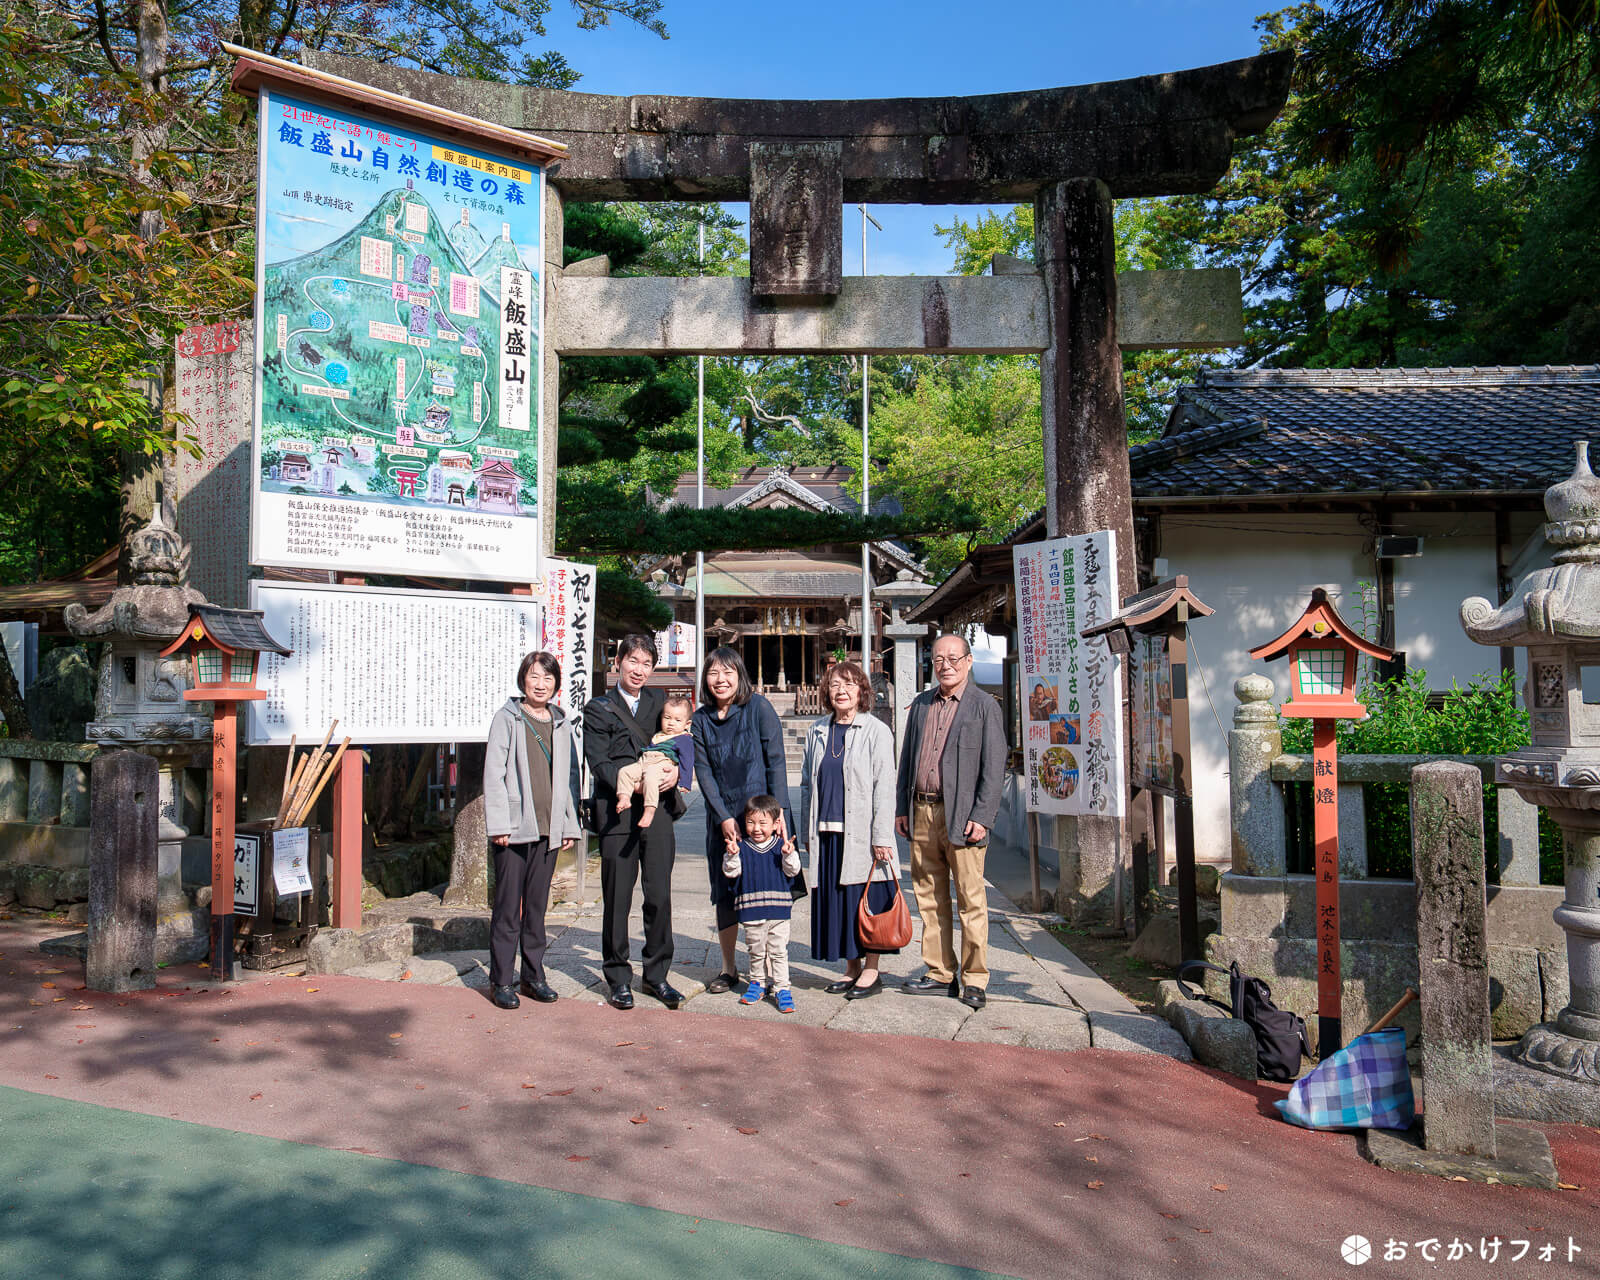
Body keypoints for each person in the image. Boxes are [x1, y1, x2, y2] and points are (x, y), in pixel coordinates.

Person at [895, 632, 1007, 1010]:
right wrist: (902, 808)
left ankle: (975, 978)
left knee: (971, 899)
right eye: (939, 658)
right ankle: (940, 971)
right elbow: (907, 760)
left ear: (969, 661)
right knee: (929, 895)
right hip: (922, 810)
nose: (945, 665)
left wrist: (983, 815)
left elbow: (994, 767)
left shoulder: (984, 707)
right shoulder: (922, 704)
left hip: (963, 815)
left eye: (953, 658)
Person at [584, 635, 689, 1011]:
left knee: (658, 893)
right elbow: (599, 763)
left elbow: (683, 742)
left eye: (647, 663)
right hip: (616, 810)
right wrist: (637, 781)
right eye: (633, 661)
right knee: (617, 896)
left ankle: (657, 975)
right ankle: (617, 977)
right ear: (618, 662)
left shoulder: (661, 703)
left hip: (657, 809)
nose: (639, 669)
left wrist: (676, 772)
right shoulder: (598, 708)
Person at [482, 651, 582, 1010]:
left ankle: (533, 976)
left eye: (548, 678)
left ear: (556, 683)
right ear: (523, 679)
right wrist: (499, 824)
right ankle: (501, 980)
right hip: (513, 830)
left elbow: (569, 777)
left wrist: (569, 824)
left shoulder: (560, 721)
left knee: (537, 908)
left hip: (548, 829)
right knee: (508, 908)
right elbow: (494, 774)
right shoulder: (507, 718)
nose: (541, 684)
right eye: (534, 677)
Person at [690, 646, 793, 994]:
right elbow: (702, 771)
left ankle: (768, 972)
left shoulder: (759, 709)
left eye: (728, 672)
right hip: (723, 820)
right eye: (713, 673)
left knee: (765, 891)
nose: (720, 680)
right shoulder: (700, 719)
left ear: (740, 675)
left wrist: (779, 816)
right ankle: (729, 967)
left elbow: (776, 762)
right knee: (725, 892)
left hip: (760, 819)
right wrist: (721, 817)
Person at [796, 660, 899, 1000]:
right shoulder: (817, 730)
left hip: (862, 834)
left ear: (862, 692)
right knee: (839, 902)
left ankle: (872, 970)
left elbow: (886, 786)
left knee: (865, 900)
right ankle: (851, 967)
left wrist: (882, 836)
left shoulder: (876, 730)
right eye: (835, 684)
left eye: (850, 684)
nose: (842, 690)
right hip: (825, 832)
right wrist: (806, 831)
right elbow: (806, 786)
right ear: (826, 691)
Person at [721, 796, 803, 1013]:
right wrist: (731, 855)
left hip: (778, 911)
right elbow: (732, 872)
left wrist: (790, 854)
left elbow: (792, 871)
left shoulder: (781, 847)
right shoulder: (742, 847)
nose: (756, 828)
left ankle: (782, 988)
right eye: (751, 822)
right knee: (756, 950)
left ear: (776, 824)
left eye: (762, 823)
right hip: (751, 910)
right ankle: (757, 982)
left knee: (778, 951)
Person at [613, 691, 696, 829]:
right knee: (625, 772)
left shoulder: (684, 738)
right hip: (644, 761)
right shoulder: (659, 734)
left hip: (661, 764)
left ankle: (649, 810)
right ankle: (624, 797)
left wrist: (685, 782)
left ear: (687, 724)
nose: (671, 723)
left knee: (651, 778)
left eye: (677, 720)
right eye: (667, 718)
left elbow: (687, 760)